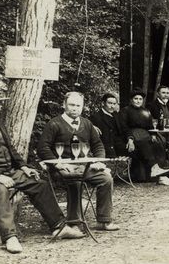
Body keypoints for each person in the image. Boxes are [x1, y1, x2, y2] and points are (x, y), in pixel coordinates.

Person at [0, 87, 84, 253]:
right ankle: (9, 237)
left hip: (9, 172)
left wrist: (24, 167)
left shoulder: (0, 124)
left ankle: (58, 227)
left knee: (39, 183)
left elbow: (11, 150)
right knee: (1, 190)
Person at [37, 91, 120, 231]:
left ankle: (104, 220)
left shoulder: (87, 124)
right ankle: (75, 223)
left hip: (85, 167)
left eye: (78, 105)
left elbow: (98, 145)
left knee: (106, 178)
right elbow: (43, 148)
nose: (75, 108)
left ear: (82, 107)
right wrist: (58, 164)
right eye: (71, 105)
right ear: (64, 105)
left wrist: (99, 161)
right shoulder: (54, 124)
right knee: (75, 180)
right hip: (63, 168)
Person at [118, 89, 169, 185]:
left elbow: (150, 126)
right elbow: (124, 128)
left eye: (140, 99)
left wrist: (153, 135)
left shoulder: (146, 111)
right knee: (144, 145)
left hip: (146, 134)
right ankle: (155, 170)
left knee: (158, 144)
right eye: (136, 99)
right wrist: (130, 140)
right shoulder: (125, 111)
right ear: (131, 100)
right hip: (132, 135)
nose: (138, 101)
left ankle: (160, 174)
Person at [90, 93, 122, 158]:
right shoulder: (96, 117)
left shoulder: (117, 115)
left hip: (118, 146)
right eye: (110, 103)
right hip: (105, 148)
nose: (112, 106)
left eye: (114, 104)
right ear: (103, 103)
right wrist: (92, 126)